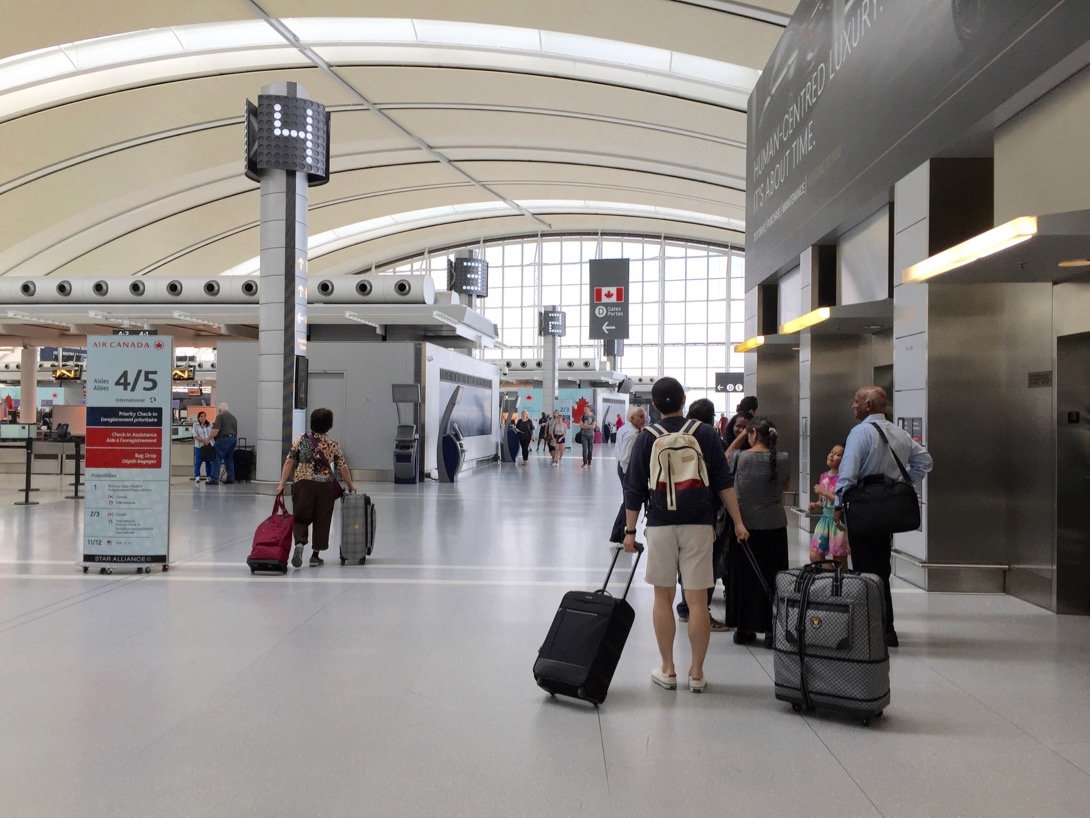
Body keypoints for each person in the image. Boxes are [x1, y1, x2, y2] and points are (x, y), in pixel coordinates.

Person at [622, 377, 747, 693]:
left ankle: (667, 669)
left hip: (661, 523)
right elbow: (723, 481)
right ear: (683, 400)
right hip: (700, 524)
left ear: (653, 405)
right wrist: (739, 522)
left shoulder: (647, 437)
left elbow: (634, 488)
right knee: (697, 600)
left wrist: (629, 531)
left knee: (662, 597)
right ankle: (697, 673)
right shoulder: (704, 433)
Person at [835, 386, 933, 647]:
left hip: (864, 507)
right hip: (887, 510)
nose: (852, 406)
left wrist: (837, 503)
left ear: (868, 404)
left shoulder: (860, 432)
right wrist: (902, 482)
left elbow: (848, 472)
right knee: (881, 568)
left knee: (864, 568)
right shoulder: (899, 432)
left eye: (856, 401)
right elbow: (925, 460)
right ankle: (886, 627)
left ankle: (869, 628)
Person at [727, 417, 789, 648]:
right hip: (774, 523)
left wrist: (741, 436)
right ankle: (772, 628)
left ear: (752, 433)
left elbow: (725, 458)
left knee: (745, 578)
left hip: (745, 526)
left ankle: (745, 628)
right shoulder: (783, 459)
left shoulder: (741, 458)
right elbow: (784, 485)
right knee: (774, 577)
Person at [674, 398, 730, 633]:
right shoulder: (710, 437)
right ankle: (700, 612)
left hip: (674, 508)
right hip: (706, 511)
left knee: (684, 563)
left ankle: (686, 606)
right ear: (712, 418)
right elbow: (723, 479)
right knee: (706, 563)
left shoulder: (674, 436)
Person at [276, 407, 356, 568]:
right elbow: (342, 467)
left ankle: (299, 545)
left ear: (312, 422)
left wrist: (282, 483)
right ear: (329, 425)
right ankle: (315, 555)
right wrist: (350, 485)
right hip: (324, 486)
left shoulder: (300, 440)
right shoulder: (333, 444)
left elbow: (289, 462)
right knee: (322, 519)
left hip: (302, 483)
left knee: (301, 517)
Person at [608, 405, 647, 544]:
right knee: (629, 503)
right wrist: (630, 474)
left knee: (627, 501)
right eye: (641, 417)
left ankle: (618, 534)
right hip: (627, 469)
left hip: (622, 467)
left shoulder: (624, 429)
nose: (644, 419)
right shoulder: (633, 434)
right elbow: (626, 456)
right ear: (632, 418)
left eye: (644, 416)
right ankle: (622, 535)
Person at [809, 444, 849, 567]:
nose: (832, 455)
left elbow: (841, 501)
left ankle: (842, 582)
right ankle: (832, 577)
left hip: (838, 522)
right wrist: (816, 505)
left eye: (837, 454)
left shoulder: (844, 478)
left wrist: (824, 492)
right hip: (824, 521)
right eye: (831, 451)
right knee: (815, 555)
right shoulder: (824, 476)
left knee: (839, 559)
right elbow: (823, 502)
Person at [208, 402, 239, 485]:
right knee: (229, 459)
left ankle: (214, 479)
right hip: (233, 439)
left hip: (223, 439)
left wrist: (208, 439)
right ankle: (230, 478)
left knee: (216, 458)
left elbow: (216, 430)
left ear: (220, 410)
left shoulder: (220, 416)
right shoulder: (233, 418)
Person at [191, 411, 215, 482]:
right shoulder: (195, 425)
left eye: (204, 416)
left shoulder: (209, 424)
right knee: (198, 462)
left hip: (208, 446)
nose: (203, 417)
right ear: (198, 417)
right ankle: (197, 476)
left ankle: (209, 476)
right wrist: (203, 440)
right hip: (199, 446)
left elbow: (212, 434)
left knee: (208, 462)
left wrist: (208, 440)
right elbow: (194, 435)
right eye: (201, 416)